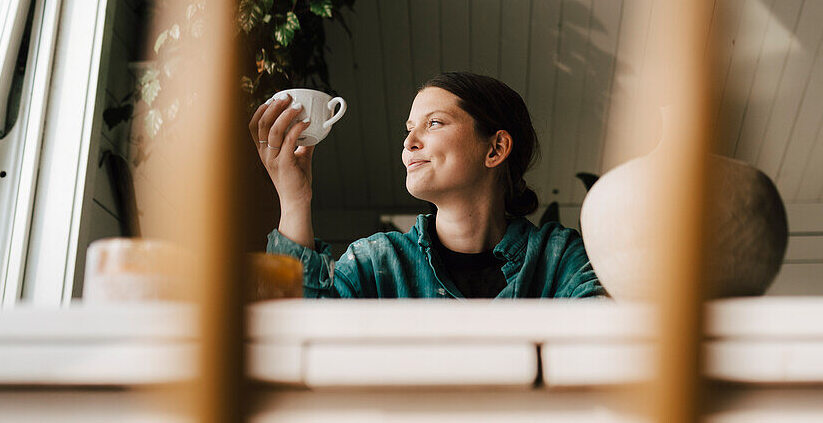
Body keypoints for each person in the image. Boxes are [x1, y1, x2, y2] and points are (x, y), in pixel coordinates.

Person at [249, 71, 608, 299]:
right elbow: (292, 331)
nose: (409, 143)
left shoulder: (559, 259)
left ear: (496, 148)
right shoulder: (376, 262)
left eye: (434, 123)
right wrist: (294, 200)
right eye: (409, 129)